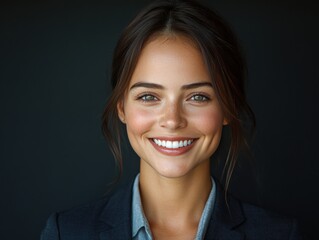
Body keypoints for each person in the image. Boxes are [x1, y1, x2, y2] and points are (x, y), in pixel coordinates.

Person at [41, 0, 303, 239]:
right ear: (121, 107)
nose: (172, 120)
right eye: (148, 97)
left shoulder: (280, 235)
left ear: (228, 107)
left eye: (198, 97)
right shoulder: (67, 233)